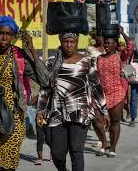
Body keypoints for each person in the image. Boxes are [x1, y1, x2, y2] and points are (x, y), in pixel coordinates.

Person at [0, 15, 49, 171]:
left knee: (7, 165)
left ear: (13, 36)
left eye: (9, 34)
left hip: (14, 118)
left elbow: (44, 80)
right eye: (1, 33)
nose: (5, 37)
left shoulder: (19, 56)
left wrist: (31, 49)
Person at [36, 32, 108, 171]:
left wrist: (104, 110)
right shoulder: (52, 61)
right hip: (57, 112)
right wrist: (40, 110)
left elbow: (96, 86)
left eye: (72, 42)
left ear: (77, 42)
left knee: (76, 151)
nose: (69, 45)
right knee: (57, 154)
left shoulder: (87, 61)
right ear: (61, 42)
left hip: (80, 112)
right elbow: (45, 88)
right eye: (66, 41)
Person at [96, 26, 134, 157]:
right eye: (105, 43)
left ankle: (112, 148)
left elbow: (130, 45)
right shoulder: (99, 58)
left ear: (115, 45)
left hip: (117, 93)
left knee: (115, 121)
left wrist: (122, 32)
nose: (106, 45)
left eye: (109, 43)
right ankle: (104, 143)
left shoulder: (120, 56)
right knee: (97, 120)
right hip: (102, 94)